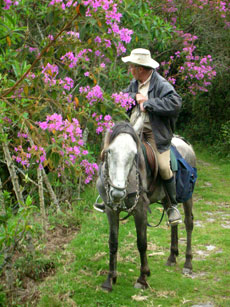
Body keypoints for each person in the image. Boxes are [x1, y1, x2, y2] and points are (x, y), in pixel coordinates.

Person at [121, 48, 182, 225]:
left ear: (140, 68)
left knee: (164, 166)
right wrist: (135, 96)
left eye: (131, 66)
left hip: (156, 134)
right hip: (134, 130)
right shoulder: (134, 84)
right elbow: (122, 96)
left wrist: (148, 103)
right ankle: (112, 197)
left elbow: (175, 104)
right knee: (117, 155)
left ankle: (172, 206)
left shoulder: (161, 84)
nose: (129, 69)